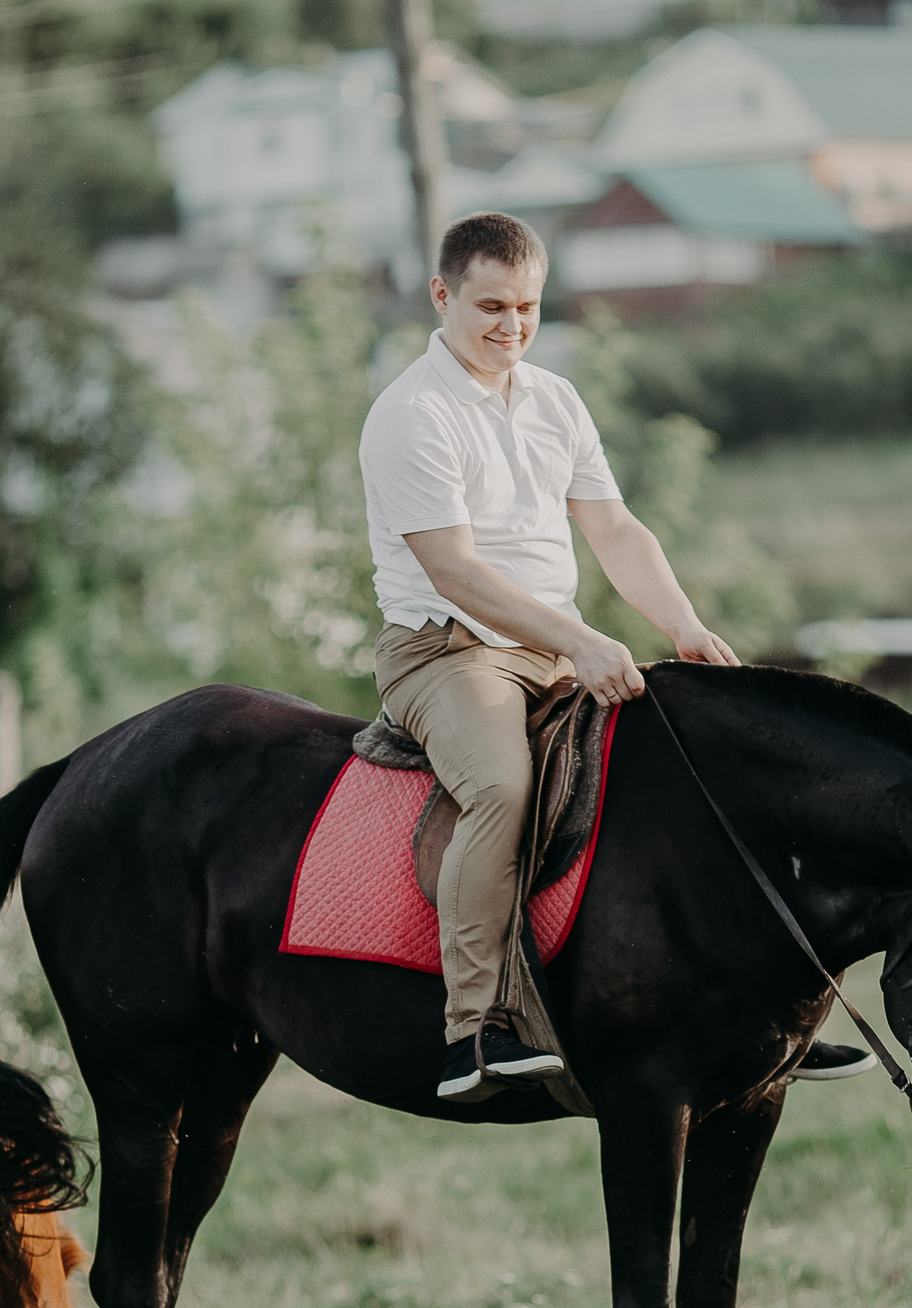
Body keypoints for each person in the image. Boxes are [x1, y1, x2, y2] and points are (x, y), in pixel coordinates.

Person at [360, 212, 871, 1101]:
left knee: (705, 757)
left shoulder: (555, 398)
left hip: (551, 641)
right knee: (501, 786)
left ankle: (761, 1011)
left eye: (527, 307)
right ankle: (475, 1029)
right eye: (489, 306)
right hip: (446, 651)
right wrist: (581, 640)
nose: (511, 326)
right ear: (442, 296)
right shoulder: (412, 413)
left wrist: (683, 624)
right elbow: (456, 572)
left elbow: (616, 530)